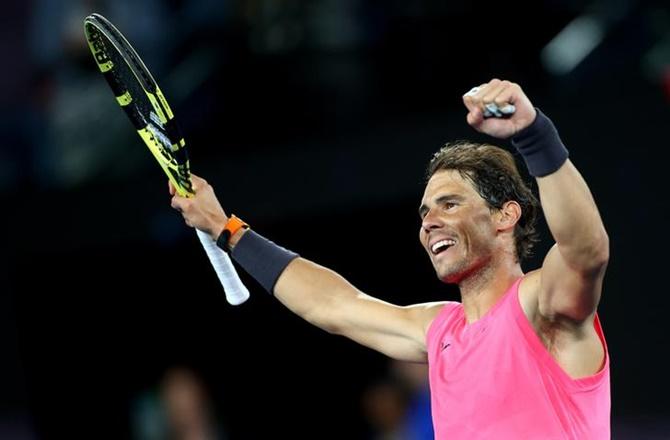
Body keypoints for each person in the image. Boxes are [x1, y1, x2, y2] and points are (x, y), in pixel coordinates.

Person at [170, 79, 610, 439]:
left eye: (450, 204)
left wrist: (534, 135)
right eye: (425, 212)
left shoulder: (540, 306)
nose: (430, 222)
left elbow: (584, 251)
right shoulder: (439, 331)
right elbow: (333, 305)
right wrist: (226, 229)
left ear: (505, 215)